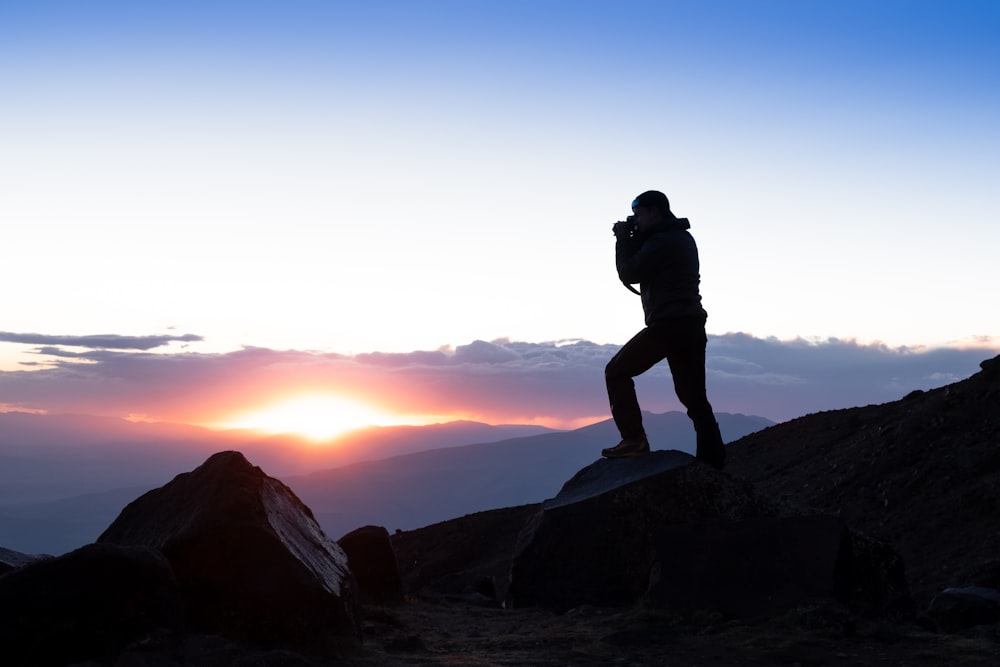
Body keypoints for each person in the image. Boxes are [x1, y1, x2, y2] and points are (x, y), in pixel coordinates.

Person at [602, 190, 726, 469]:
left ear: (654, 211)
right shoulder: (679, 237)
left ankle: (634, 440)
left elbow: (630, 272)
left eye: (638, 214)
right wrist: (637, 237)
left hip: (669, 325)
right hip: (691, 326)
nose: (634, 219)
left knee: (617, 371)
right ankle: (712, 460)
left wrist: (623, 240)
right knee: (693, 397)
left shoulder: (662, 241)